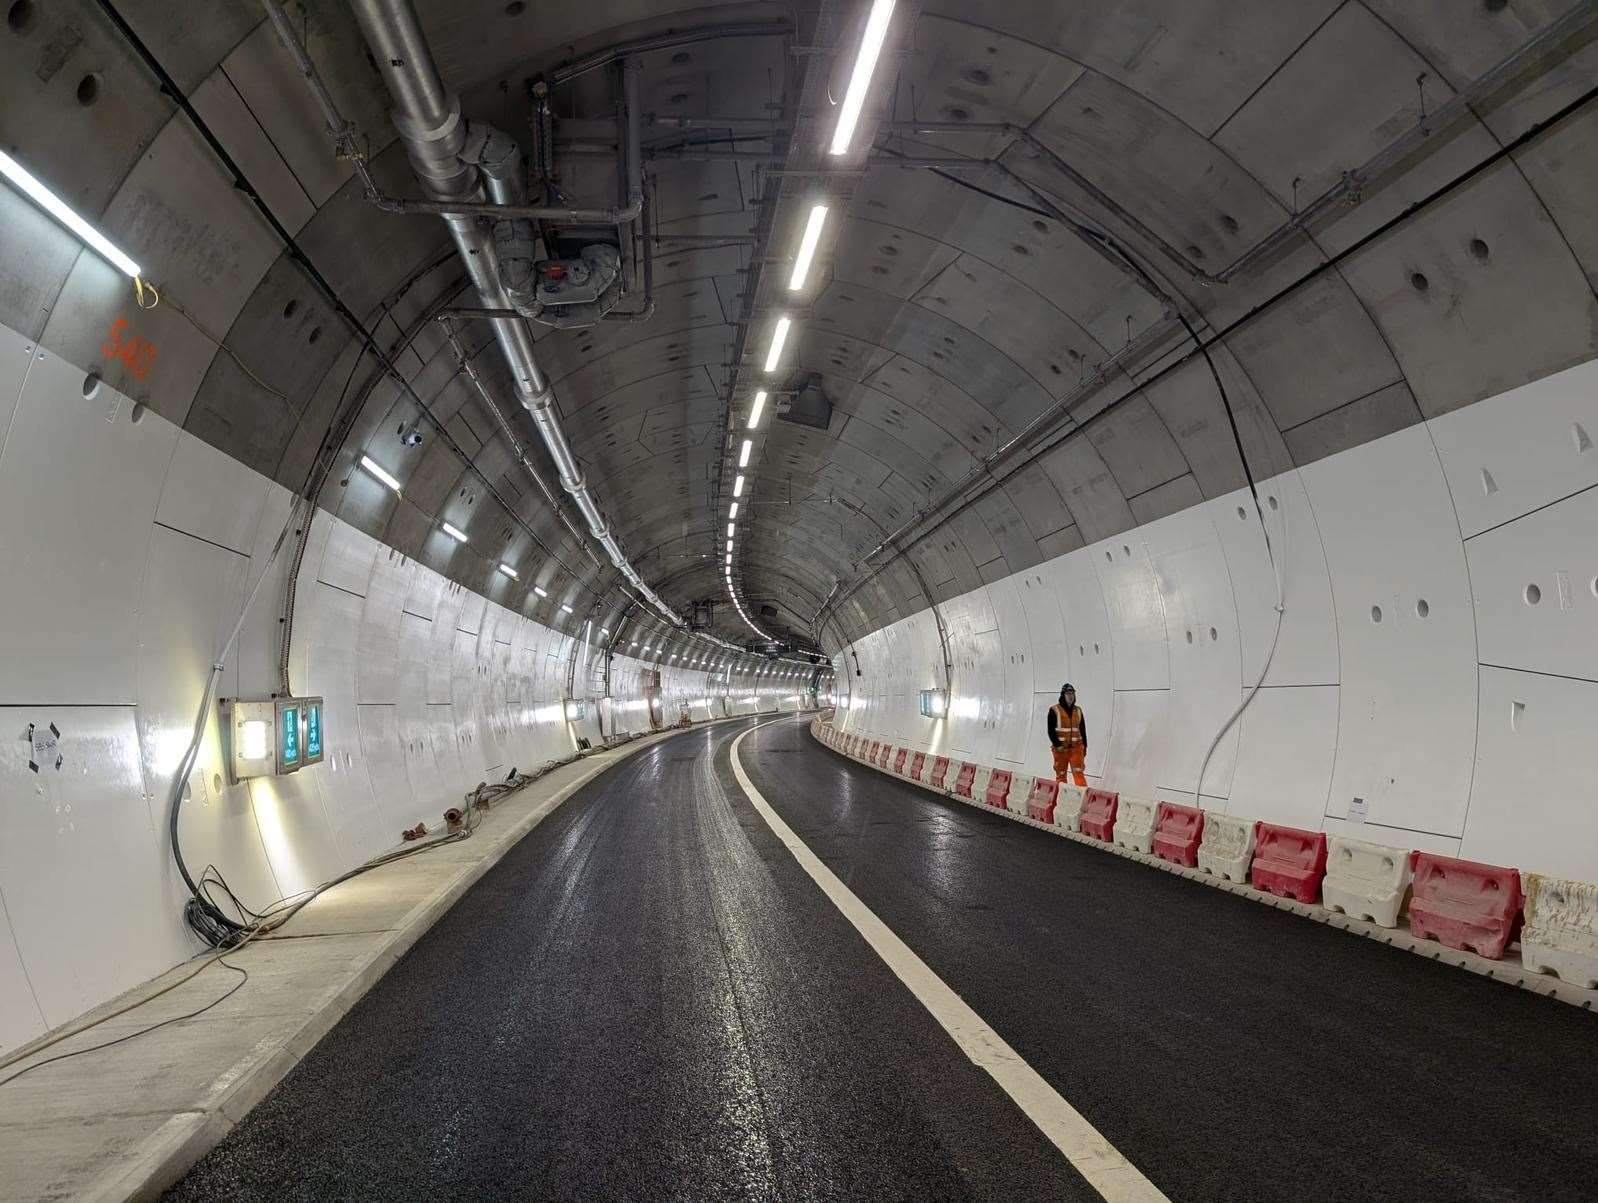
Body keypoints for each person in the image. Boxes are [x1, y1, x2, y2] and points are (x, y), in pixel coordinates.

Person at [1047, 683, 1087, 787]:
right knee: (1061, 775)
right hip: (1061, 750)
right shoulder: (1054, 710)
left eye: (1072, 693)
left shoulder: (1078, 710)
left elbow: (1082, 730)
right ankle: (1061, 800)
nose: (1071, 696)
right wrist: (1057, 745)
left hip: (1076, 749)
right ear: (1063, 695)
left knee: (1079, 774)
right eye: (1068, 693)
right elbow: (1051, 731)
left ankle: (1083, 799)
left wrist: (1084, 747)